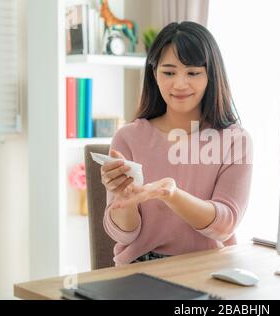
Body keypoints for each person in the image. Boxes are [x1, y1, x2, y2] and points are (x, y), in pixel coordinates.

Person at [100, 21, 253, 265]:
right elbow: (122, 234)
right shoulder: (128, 138)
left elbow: (225, 225)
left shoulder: (235, 140)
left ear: (210, 76)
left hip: (210, 267)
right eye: (169, 72)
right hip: (142, 267)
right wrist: (124, 200)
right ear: (155, 75)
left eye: (192, 73)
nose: (180, 84)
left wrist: (172, 195)